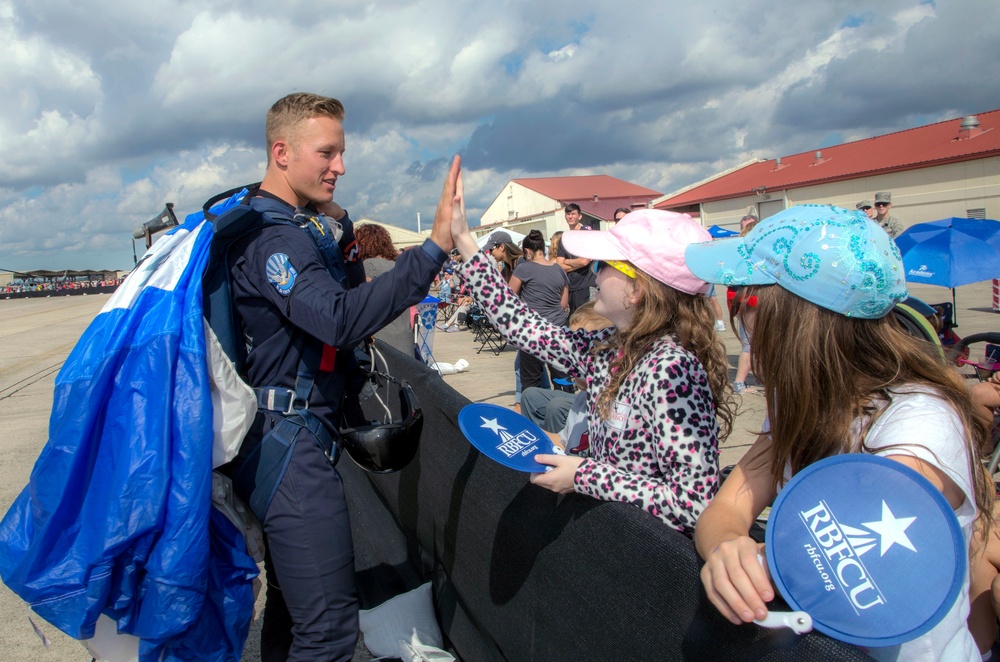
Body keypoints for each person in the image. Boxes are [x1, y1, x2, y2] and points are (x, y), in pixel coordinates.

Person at [687, 204, 992, 661]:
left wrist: (758, 559)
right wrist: (727, 546)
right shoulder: (803, 400)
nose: (740, 317)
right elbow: (729, 504)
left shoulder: (919, 427)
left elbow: (851, 577)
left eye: (745, 298)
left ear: (793, 318)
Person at [221, 92, 457, 661]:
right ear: (282, 152)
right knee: (327, 631)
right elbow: (336, 319)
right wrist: (432, 251)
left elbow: (346, 305)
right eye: (326, 153)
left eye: (342, 152)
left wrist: (342, 235)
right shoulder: (271, 238)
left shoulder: (298, 226)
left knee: (290, 609)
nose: (341, 167)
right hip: (288, 443)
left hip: (297, 433)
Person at [449, 172, 733, 532]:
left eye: (603, 265)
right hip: (611, 539)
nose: (594, 276)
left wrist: (583, 475)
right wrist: (463, 239)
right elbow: (519, 323)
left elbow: (694, 505)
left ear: (637, 291)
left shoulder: (672, 370)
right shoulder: (606, 349)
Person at [509, 229, 570, 391]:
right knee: (562, 376)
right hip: (558, 328)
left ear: (528, 251)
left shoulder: (523, 269)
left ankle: (535, 412)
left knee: (531, 382)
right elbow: (563, 303)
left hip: (532, 331)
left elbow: (508, 296)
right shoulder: (559, 269)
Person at [729, 214, 759, 394]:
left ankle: (741, 382)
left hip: (741, 301)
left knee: (750, 345)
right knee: (753, 345)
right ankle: (740, 383)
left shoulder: (738, 253)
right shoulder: (755, 255)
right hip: (752, 302)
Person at [555, 203, 597, 314]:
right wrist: (575, 262)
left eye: (573, 214)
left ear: (580, 216)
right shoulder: (564, 238)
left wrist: (567, 261)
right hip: (571, 287)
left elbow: (584, 261)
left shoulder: (586, 235)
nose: (570, 217)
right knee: (574, 320)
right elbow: (559, 265)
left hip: (586, 285)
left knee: (588, 319)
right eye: (568, 214)